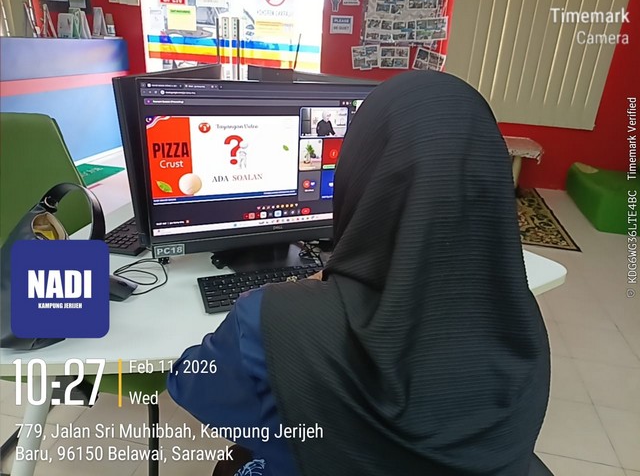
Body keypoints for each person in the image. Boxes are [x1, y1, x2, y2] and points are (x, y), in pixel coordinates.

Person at [167, 70, 550, 476]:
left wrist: (291, 294)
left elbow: (190, 385)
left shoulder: (274, 320)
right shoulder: (522, 326)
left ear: (360, 172)